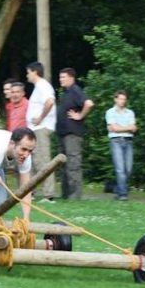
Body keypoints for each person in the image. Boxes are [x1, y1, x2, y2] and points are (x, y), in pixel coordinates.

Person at [56, 67, 94, 199]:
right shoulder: (67, 92)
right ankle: (66, 195)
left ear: (71, 78)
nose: (61, 80)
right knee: (64, 165)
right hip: (64, 134)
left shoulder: (75, 90)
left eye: (63, 77)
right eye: (60, 77)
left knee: (73, 165)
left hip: (72, 135)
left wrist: (80, 115)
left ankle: (75, 196)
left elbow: (88, 103)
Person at [26, 61, 57, 203]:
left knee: (43, 161)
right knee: (33, 162)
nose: (27, 75)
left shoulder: (43, 85)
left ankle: (48, 195)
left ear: (35, 72)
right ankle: (31, 192)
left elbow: (50, 102)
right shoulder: (39, 87)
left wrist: (40, 118)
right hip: (35, 129)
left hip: (41, 128)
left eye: (28, 72)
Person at [105, 90, 137, 201]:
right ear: (115, 99)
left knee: (128, 169)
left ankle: (118, 190)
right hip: (116, 141)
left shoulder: (130, 112)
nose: (122, 101)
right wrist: (127, 127)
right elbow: (114, 128)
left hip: (128, 141)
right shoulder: (110, 112)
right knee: (120, 169)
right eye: (120, 99)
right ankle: (123, 194)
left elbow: (134, 128)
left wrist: (119, 127)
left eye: (124, 99)